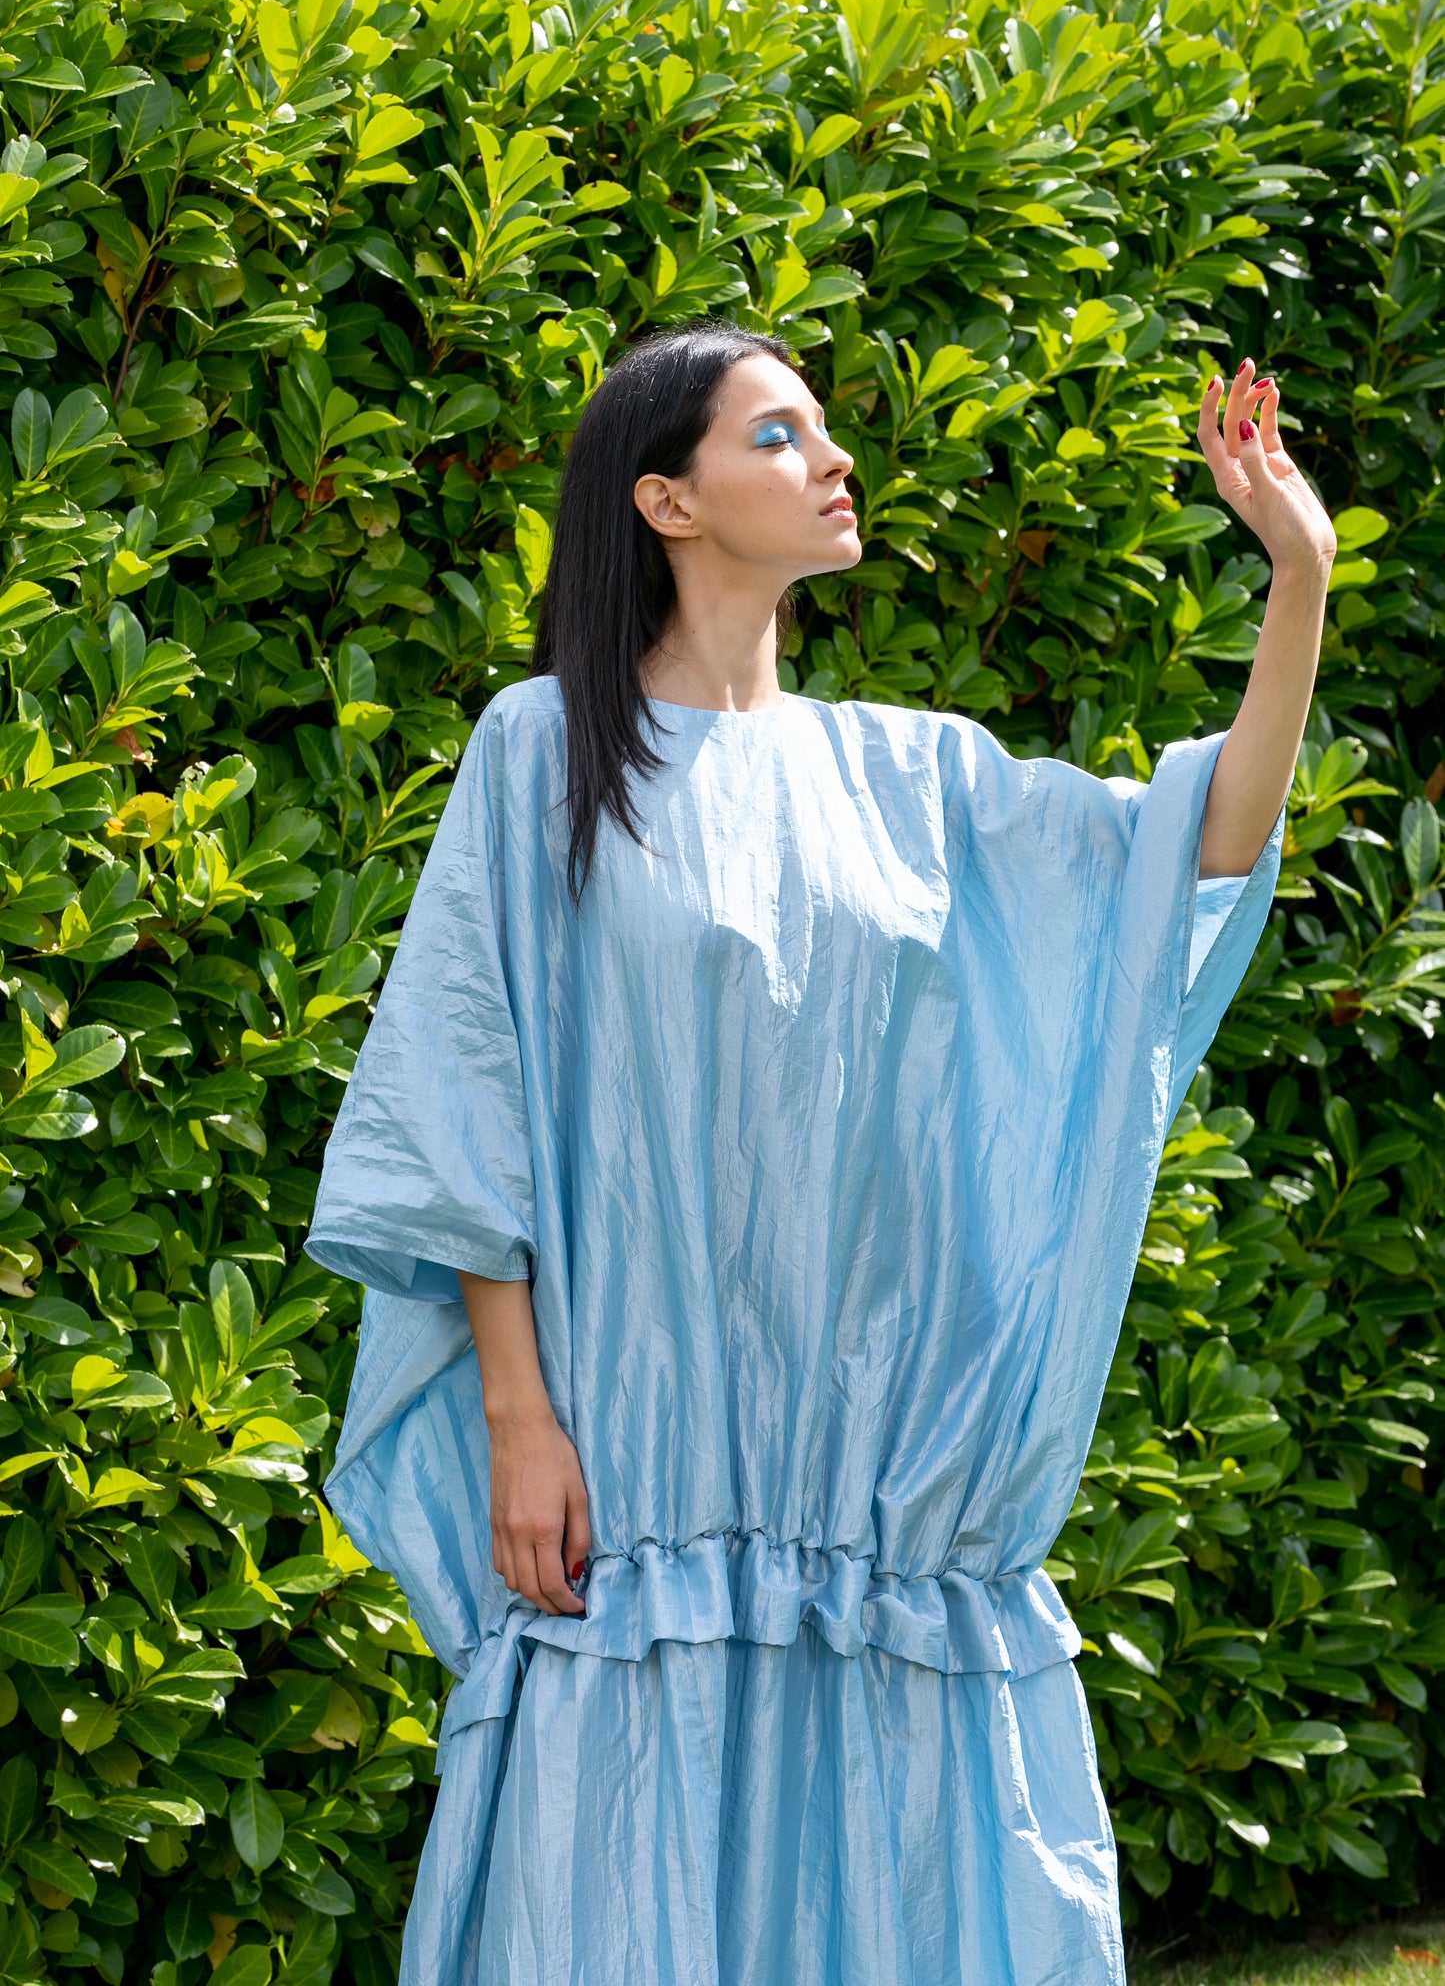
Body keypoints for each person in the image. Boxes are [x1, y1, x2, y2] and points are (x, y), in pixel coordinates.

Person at [304, 324, 1334, 1986]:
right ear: (666, 501)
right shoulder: (544, 754)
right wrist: (517, 1421)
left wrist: (1297, 573)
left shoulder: (919, 777)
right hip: (642, 1497)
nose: (834, 458)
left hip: (884, 1539)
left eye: (825, 430)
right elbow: (465, 1094)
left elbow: (1197, 849)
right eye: (778, 436)